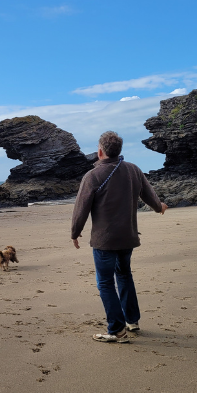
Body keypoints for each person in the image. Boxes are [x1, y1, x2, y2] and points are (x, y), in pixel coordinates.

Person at [71, 131, 168, 343]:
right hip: (128, 238)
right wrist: (159, 207)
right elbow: (150, 196)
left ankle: (116, 330)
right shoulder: (133, 170)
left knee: (105, 283)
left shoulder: (92, 176)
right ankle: (132, 321)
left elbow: (81, 209)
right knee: (124, 275)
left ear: (100, 151)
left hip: (105, 241)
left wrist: (75, 232)